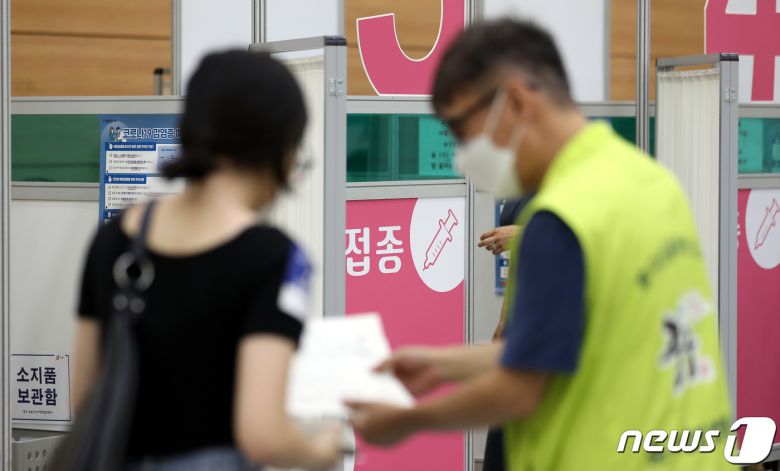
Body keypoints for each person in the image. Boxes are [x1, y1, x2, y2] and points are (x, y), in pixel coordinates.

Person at [348, 19, 731, 470]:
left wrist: (408, 420)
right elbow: (571, 346)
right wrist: (439, 365)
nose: (462, 155)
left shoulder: (560, 219)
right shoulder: (650, 181)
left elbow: (521, 388)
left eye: (463, 131)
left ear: (514, 101)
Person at [73, 50, 342, 470]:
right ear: (281, 145)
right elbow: (263, 435)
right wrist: (322, 453)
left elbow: (85, 397)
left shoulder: (112, 240)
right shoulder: (274, 257)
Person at [476, 196, 529, 471]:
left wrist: (526, 234)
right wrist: (503, 321)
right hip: (520, 324)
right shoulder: (524, 183)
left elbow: (591, 236)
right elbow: (520, 266)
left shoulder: (579, 183)